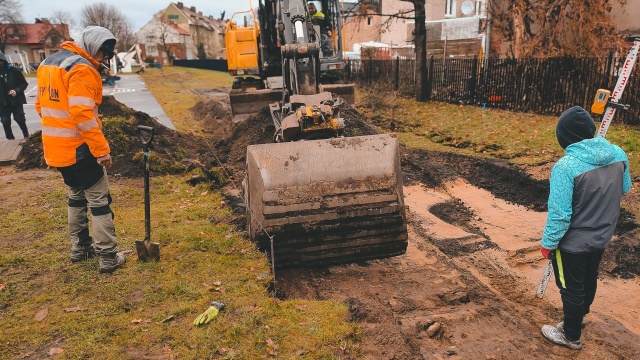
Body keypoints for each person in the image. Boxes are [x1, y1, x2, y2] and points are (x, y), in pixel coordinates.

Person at [35, 26, 126, 274]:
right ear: (91, 45)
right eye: (101, 54)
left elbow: (41, 105)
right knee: (99, 201)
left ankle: (80, 248)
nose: (102, 60)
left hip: (58, 149)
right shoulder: (82, 70)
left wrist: (58, 137)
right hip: (80, 148)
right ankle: (107, 256)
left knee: (76, 197)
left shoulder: (47, 64)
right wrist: (101, 150)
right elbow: (83, 115)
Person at [540, 106, 632, 349]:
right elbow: (624, 188)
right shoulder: (618, 154)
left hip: (571, 243)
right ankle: (578, 317)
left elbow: (560, 216)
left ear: (564, 136)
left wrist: (548, 244)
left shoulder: (565, 167)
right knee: (589, 278)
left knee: (570, 286)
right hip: (602, 235)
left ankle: (570, 336)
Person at [0, 53, 29, 139]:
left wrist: (16, 91)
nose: (0, 63)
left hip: (16, 100)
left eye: (1, 61)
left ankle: (26, 135)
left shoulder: (14, 70)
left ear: (4, 61)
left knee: (20, 119)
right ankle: (10, 140)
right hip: (2, 102)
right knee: (5, 121)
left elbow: (24, 84)